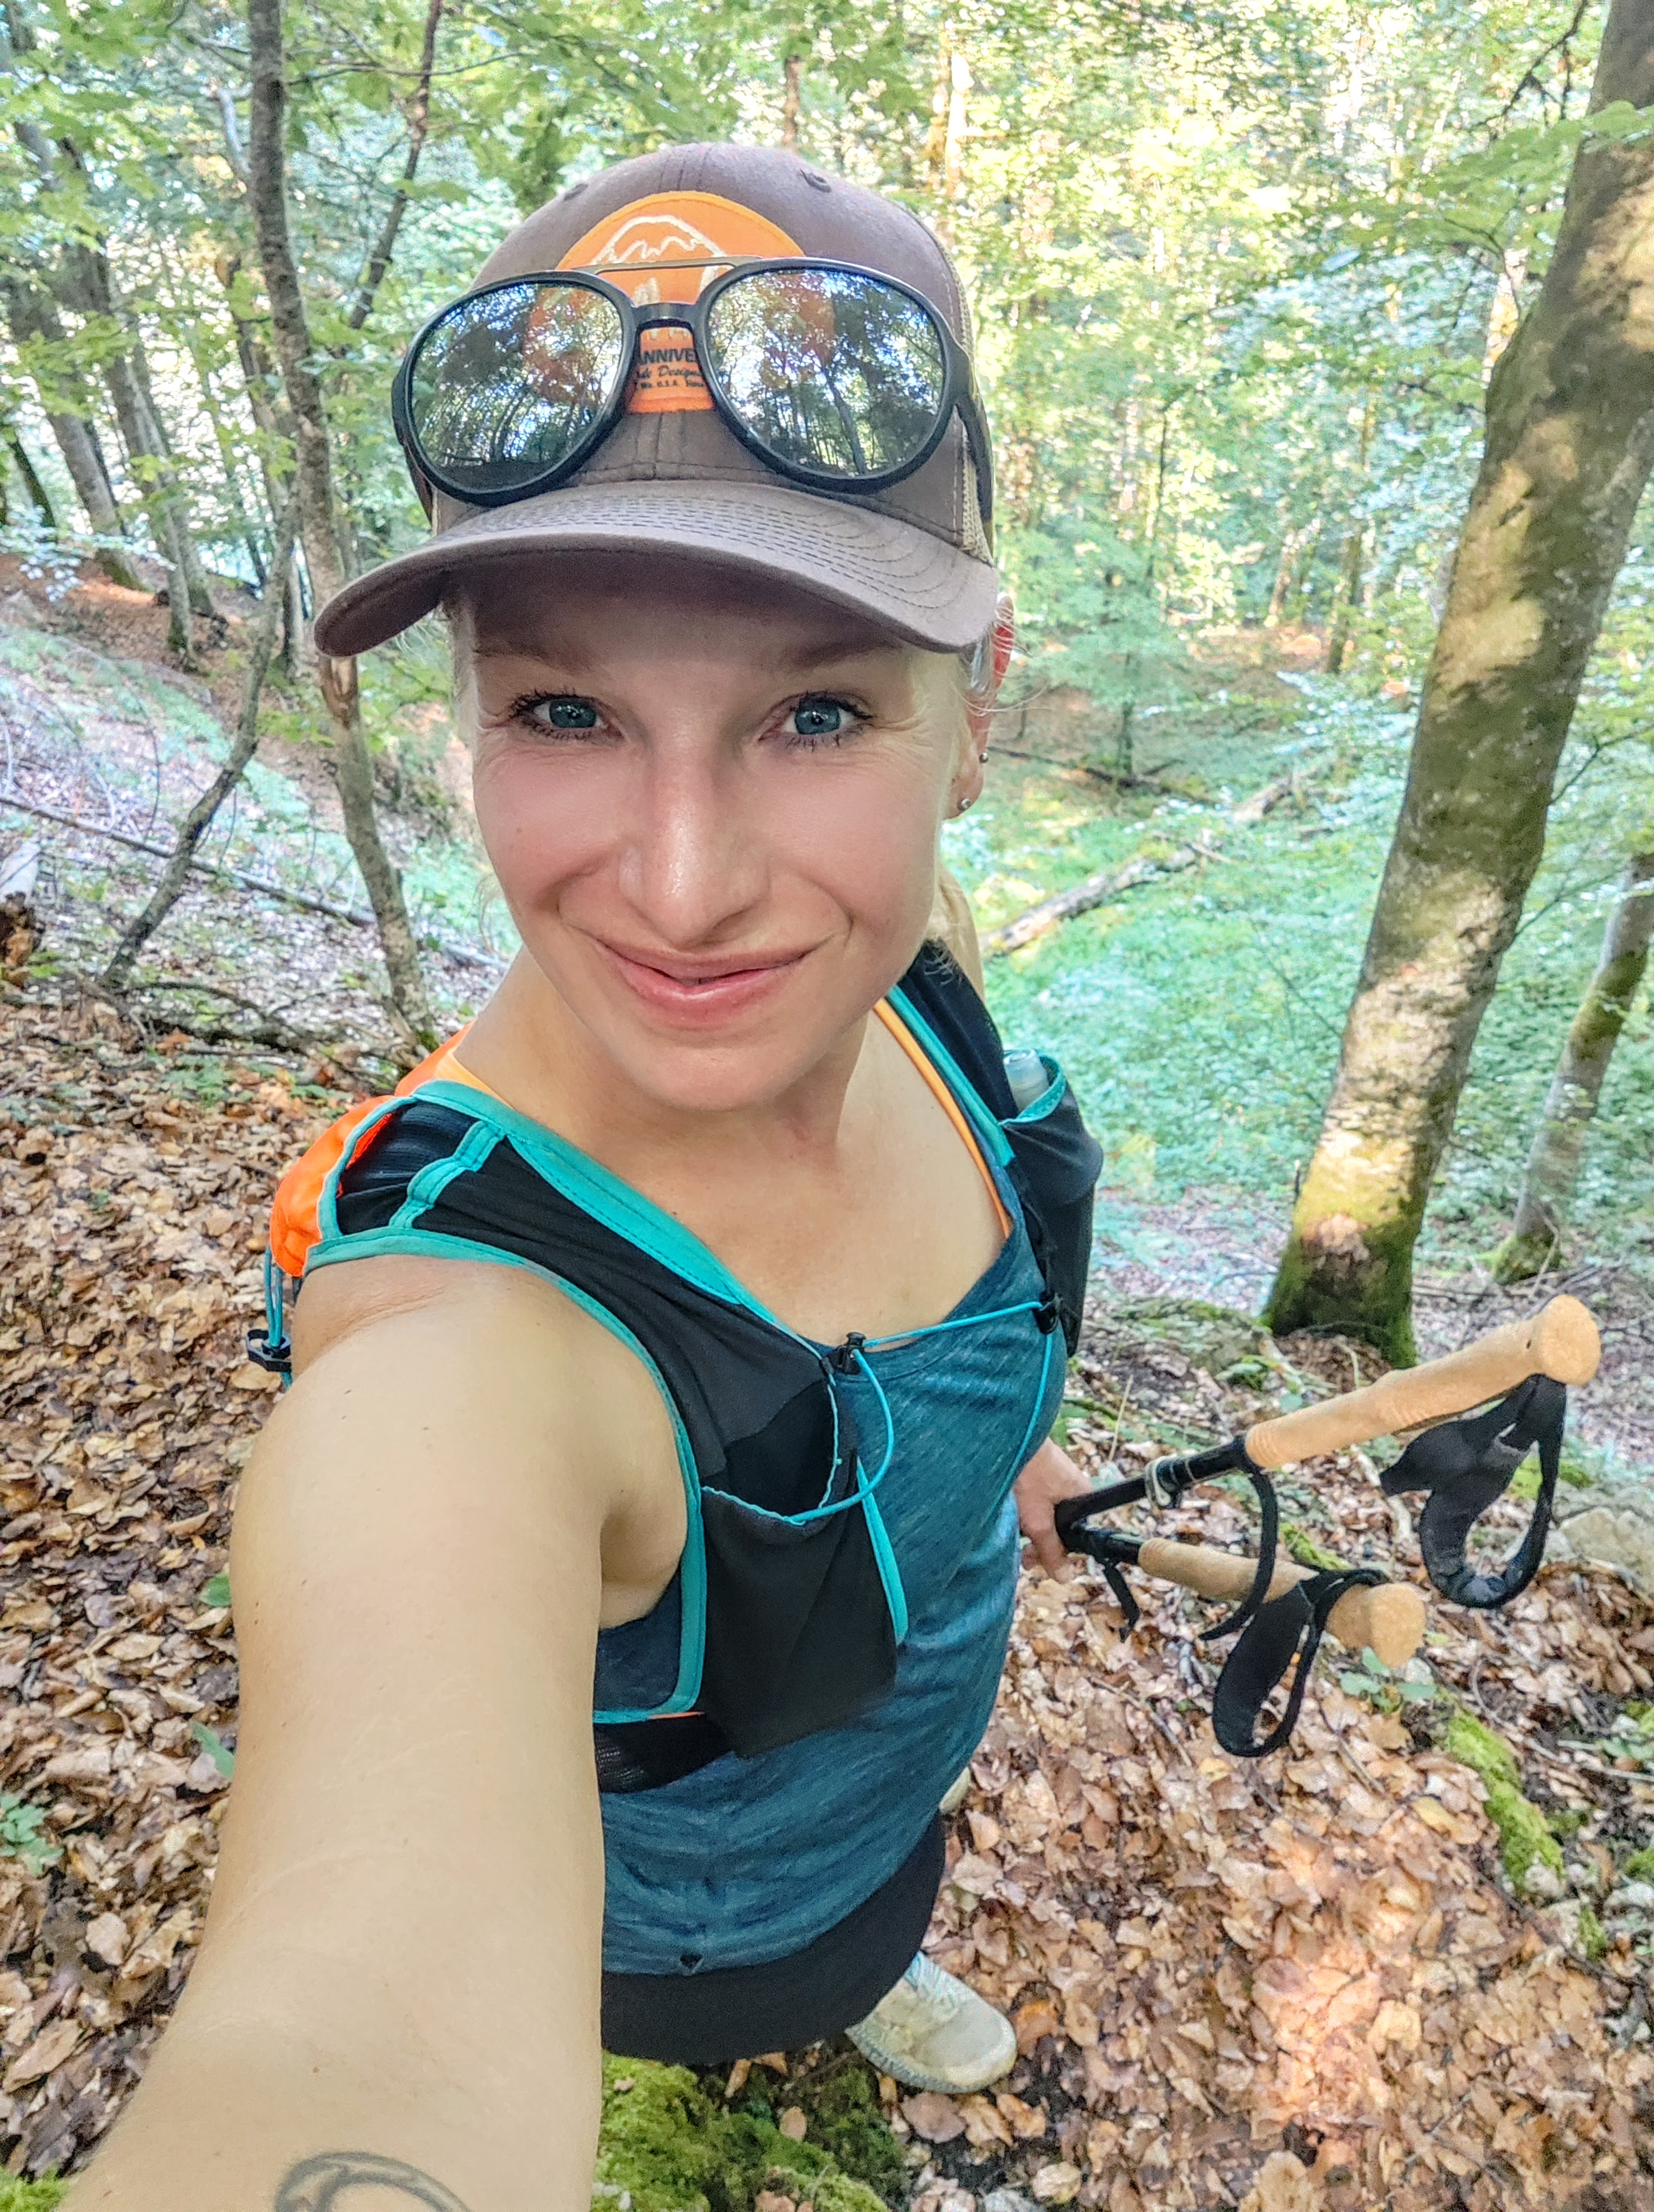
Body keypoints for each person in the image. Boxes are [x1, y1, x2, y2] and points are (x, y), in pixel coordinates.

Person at [65, 143, 1103, 2212]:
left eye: (817, 714)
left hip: (904, 1790)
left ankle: (875, 1955)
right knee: (797, 1962)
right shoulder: (462, 1344)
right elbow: (358, 2027)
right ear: (465, 720)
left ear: (973, 714)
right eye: (566, 708)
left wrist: (1007, 1457)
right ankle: (818, 1990)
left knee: (879, 1901)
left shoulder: (920, 983)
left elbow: (957, 1332)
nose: (687, 889)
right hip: (692, 1935)